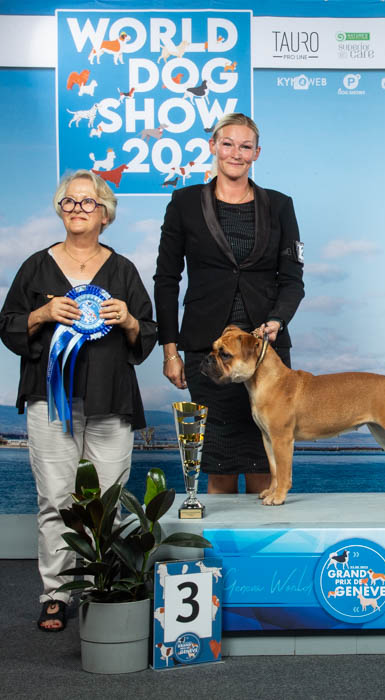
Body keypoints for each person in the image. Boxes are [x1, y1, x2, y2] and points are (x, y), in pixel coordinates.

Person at [0, 170, 156, 631]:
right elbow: (7, 324)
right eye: (70, 201)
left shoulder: (123, 270)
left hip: (112, 398)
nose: (77, 209)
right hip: (49, 399)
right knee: (55, 499)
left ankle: (99, 587)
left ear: (105, 213)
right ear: (60, 209)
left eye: (88, 202)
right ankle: (55, 593)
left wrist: (128, 319)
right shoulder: (35, 266)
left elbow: (147, 333)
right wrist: (42, 313)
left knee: (107, 502)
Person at [154, 113, 304, 496]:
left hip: (265, 352)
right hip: (208, 351)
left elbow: (292, 280)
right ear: (213, 147)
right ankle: (220, 537)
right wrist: (170, 351)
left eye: (245, 146)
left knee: (264, 465)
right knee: (218, 465)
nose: (236, 153)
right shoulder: (184, 203)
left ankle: (264, 534)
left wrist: (277, 320)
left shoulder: (280, 205)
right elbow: (166, 280)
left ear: (256, 153)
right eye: (228, 144)